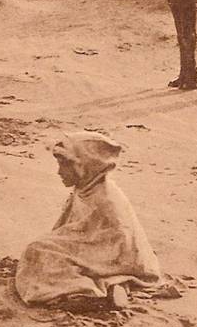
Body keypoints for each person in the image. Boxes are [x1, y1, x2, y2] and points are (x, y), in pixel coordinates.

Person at [14, 131, 161, 309]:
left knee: (39, 252)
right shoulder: (84, 189)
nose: (59, 172)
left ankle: (88, 291)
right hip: (96, 250)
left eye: (64, 166)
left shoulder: (105, 200)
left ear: (85, 167)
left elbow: (118, 244)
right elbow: (75, 229)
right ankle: (112, 284)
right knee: (41, 251)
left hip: (117, 259)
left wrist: (57, 247)